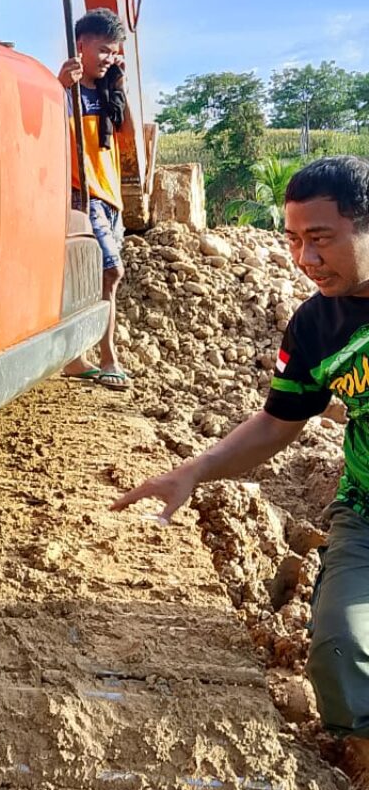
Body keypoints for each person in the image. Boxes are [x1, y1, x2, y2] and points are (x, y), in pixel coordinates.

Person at [112, 156, 369, 751]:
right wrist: (195, 470)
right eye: (295, 240)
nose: (305, 259)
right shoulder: (315, 328)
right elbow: (279, 423)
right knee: (339, 654)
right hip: (364, 513)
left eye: (321, 239)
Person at [58, 8, 134, 390]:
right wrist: (59, 87)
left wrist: (120, 85)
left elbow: (128, 138)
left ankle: (78, 358)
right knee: (110, 271)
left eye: (113, 52)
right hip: (82, 194)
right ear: (81, 45)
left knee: (96, 281)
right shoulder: (64, 92)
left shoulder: (107, 93)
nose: (108, 58)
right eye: (103, 50)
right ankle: (107, 356)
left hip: (110, 198)